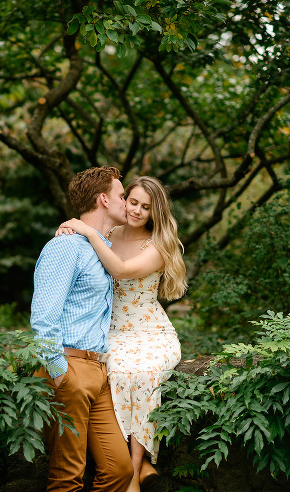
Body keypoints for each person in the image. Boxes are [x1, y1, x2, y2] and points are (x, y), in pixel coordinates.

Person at [56, 176, 188, 492]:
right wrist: (69, 229)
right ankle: (139, 464)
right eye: (133, 202)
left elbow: (122, 270)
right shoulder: (108, 234)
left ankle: (131, 473)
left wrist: (86, 230)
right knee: (111, 372)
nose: (138, 210)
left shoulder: (156, 245)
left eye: (147, 207)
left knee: (142, 373)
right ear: (123, 199)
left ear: (155, 212)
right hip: (109, 330)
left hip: (149, 331)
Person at [30, 166, 134, 492]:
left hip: (99, 372)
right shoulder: (65, 247)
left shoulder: (102, 249)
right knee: (67, 478)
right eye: (121, 195)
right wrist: (59, 373)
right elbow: (44, 317)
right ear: (103, 199)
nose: (128, 203)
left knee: (119, 470)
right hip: (69, 369)